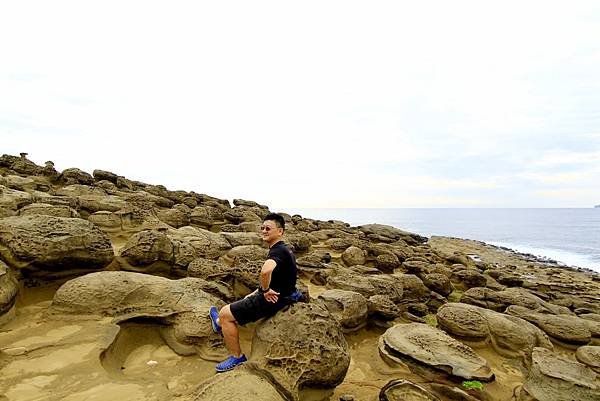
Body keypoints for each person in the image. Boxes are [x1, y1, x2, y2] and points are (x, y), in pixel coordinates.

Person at [208, 212, 300, 372]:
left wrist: (265, 290)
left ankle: (236, 357)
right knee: (246, 297)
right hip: (284, 294)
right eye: (263, 228)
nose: (264, 231)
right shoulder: (284, 249)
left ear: (280, 232)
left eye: (268, 228)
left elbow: (265, 271)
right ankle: (218, 325)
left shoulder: (277, 251)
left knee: (224, 314)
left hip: (273, 300)